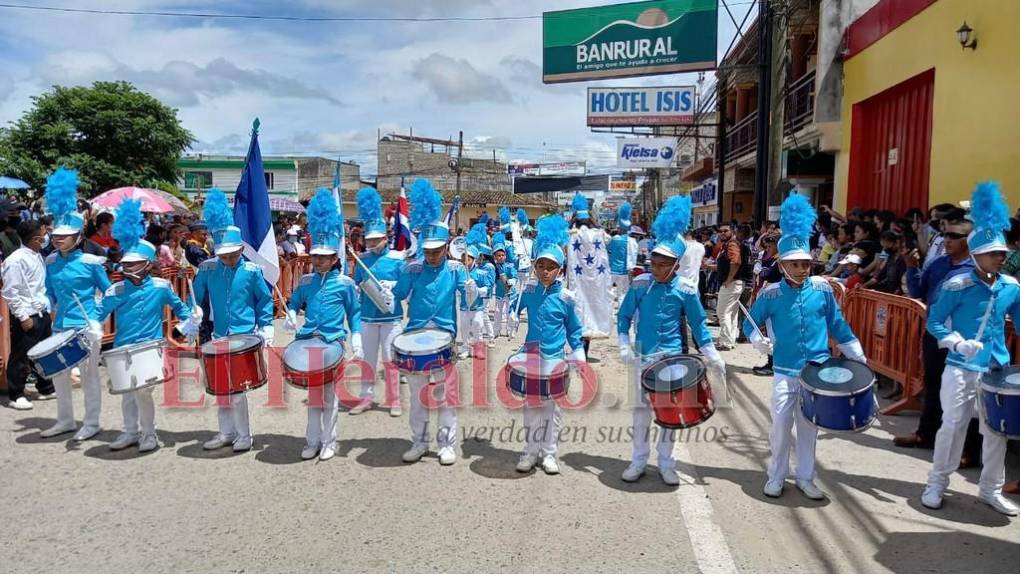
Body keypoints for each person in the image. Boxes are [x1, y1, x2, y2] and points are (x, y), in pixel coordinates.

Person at [743, 193, 867, 500]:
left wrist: (858, 355)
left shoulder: (823, 290)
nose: (802, 268)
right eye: (795, 264)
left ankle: (806, 477)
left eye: (806, 263)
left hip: (817, 372)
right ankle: (776, 475)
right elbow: (750, 322)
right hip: (785, 371)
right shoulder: (770, 294)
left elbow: (838, 325)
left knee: (810, 427)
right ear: (783, 265)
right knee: (781, 425)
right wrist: (758, 340)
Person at [920, 182, 1018, 517]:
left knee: (996, 432)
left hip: (996, 371)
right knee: (953, 424)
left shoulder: (1011, 287)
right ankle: (936, 483)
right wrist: (955, 341)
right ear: (975, 254)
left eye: (1003, 254)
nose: (1000, 259)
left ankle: (990, 490)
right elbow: (934, 322)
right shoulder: (957, 283)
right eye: (993, 253)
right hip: (961, 365)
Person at [617, 195, 726, 485]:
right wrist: (624, 344)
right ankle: (638, 460)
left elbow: (699, 324)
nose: (657, 268)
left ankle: (666, 462)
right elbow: (624, 316)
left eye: (664, 264)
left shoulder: (687, 290)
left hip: (674, 358)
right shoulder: (640, 284)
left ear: (676, 265)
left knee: (670, 413)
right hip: (643, 356)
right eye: (654, 261)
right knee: (640, 413)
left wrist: (711, 353)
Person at [92, 198, 199, 452]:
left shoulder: (161, 287)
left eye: (133, 264)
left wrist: (191, 320)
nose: (128, 269)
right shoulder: (116, 289)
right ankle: (130, 432)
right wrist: (91, 327)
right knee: (127, 391)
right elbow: (97, 313)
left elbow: (182, 310)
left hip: (150, 347)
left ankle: (149, 435)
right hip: (122, 347)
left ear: (148, 265)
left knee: (143, 392)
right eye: (126, 264)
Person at [391, 179, 475, 466]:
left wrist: (472, 287)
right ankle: (418, 442)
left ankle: (446, 444)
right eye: (427, 250)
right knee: (417, 396)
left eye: (437, 250)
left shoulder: (454, 269)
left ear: (447, 246)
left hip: (443, 338)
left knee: (444, 395)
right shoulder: (414, 268)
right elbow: (398, 296)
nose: (431, 255)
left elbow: (470, 301)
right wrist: (401, 273)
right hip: (415, 338)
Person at [192, 188, 275, 453]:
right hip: (219, 335)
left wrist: (266, 326)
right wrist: (192, 314)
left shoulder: (251, 271)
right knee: (221, 389)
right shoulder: (208, 269)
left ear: (241, 248)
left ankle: (244, 435)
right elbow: (195, 296)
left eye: (233, 254)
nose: (228, 259)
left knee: (238, 390)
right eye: (223, 255)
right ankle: (225, 432)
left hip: (244, 335)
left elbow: (264, 300)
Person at [893, 214, 980, 460]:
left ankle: (968, 449)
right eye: (945, 235)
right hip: (935, 335)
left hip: (964, 339)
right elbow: (919, 290)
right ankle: (926, 434)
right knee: (933, 385)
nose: (948, 240)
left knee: (966, 392)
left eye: (955, 235)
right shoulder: (939, 263)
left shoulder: (978, 269)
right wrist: (911, 267)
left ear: (969, 240)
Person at [285, 189, 362, 461]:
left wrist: (356, 340)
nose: (318, 260)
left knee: (329, 396)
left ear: (334, 259)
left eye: (324, 257)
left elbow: (354, 314)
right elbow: (294, 302)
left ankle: (329, 441)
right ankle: (312, 440)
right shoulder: (305, 281)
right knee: (313, 395)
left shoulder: (345, 283)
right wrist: (291, 314)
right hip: (308, 341)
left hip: (332, 342)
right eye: (315, 256)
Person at [509, 214, 584, 474]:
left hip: (555, 358)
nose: (544, 271)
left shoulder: (565, 297)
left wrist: (578, 352)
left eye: (550, 267)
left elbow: (574, 329)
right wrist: (510, 312)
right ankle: (530, 451)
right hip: (530, 356)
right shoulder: (528, 291)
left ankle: (549, 453)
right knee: (531, 407)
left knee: (552, 409)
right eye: (540, 266)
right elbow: (513, 306)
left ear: (559, 270)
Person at [40, 168, 110, 440]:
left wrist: (98, 320)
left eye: (64, 235)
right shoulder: (51, 262)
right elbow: (49, 293)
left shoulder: (92, 263)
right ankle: (66, 420)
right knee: (60, 375)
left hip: (86, 326)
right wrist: (44, 302)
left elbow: (108, 292)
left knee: (90, 377)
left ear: (78, 237)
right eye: (56, 235)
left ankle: (91, 423)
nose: (58, 239)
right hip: (61, 326)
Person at [350, 187, 405, 417]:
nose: (372, 244)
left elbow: (404, 286)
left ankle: (394, 400)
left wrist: (391, 287)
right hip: (368, 316)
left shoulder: (396, 258)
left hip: (391, 317)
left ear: (385, 238)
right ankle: (366, 398)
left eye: (376, 240)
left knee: (390, 360)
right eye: (369, 240)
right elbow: (356, 284)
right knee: (368, 360)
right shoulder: (361, 259)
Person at [2, 220, 55, 409]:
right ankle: (16, 394)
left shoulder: (37, 255)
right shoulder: (15, 260)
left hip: (42, 312)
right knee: (21, 356)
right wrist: (23, 317)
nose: (47, 235)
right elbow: (10, 291)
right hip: (28, 315)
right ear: (36, 238)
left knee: (44, 352)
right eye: (44, 232)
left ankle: (45, 387)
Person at [565, 192, 613, 359]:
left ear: (575, 220)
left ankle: (580, 350)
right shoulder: (599, 234)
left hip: (578, 281)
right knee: (593, 310)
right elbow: (609, 239)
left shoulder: (572, 235)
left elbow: (562, 235)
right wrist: (595, 223)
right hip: (597, 282)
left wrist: (571, 221)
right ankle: (584, 350)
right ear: (590, 220)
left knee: (579, 312)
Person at [714, 222, 743, 350]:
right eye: (720, 231)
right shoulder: (726, 245)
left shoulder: (732, 244)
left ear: (732, 231)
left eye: (725, 231)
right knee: (731, 313)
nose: (722, 233)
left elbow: (735, 262)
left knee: (722, 312)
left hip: (731, 283)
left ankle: (726, 341)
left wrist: (729, 279)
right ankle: (728, 341)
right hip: (733, 283)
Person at [607, 202, 638, 303]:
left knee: (608, 293)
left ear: (619, 228)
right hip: (624, 271)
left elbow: (608, 249)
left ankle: (608, 313)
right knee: (622, 294)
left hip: (612, 270)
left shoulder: (615, 239)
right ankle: (621, 313)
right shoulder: (632, 242)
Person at [490, 236, 518, 339]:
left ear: (505, 255)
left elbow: (515, 276)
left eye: (503, 255)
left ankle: (510, 331)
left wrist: (512, 281)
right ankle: (496, 331)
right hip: (499, 293)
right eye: (498, 255)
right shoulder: (493, 268)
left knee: (510, 313)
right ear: (495, 257)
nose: (501, 257)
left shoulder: (510, 265)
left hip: (510, 293)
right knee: (497, 312)